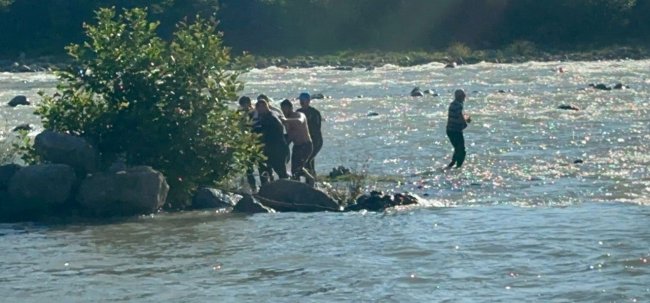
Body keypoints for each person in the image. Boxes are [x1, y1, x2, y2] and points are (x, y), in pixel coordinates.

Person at [280, 99, 315, 186]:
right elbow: (291, 134)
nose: (284, 111)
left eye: (286, 109)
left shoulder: (299, 115)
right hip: (297, 146)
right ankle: (298, 185)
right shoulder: (286, 121)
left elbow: (300, 121)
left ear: (291, 108)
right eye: (282, 109)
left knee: (299, 168)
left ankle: (311, 179)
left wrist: (286, 120)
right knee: (294, 171)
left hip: (306, 145)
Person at [254, 99, 290, 184]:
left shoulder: (270, 118)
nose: (260, 109)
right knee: (265, 170)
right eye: (259, 108)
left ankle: (287, 189)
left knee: (281, 172)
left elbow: (260, 131)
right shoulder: (265, 116)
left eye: (263, 107)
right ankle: (267, 188)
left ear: (266, 107)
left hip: (277, 149)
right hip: (271, 148)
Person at [296, 92, 323, 179]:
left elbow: (318, 128)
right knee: (308, 161)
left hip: (316, 140)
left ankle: (312, 180)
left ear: (308, 101)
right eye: (301, 100)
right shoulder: (298, 112)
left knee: (308, 160)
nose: (302, 102)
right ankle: (311, 179)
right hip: (304, 141)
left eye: (304, 100)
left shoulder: (314, 113)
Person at [446, 89, 471, 169]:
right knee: (462, 151)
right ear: (460, 96)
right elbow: (460, 116)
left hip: (450, 130)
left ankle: (452, 164)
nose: (464, 97)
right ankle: (458, 167)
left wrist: (466, 118)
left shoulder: (453, 104)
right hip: (455, 131)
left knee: (457, 148)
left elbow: (458, 115)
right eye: (463, 95)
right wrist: (465, 124)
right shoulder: (458, 105)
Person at [238, 96, 259, 190]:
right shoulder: (241, 114)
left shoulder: (255, 112)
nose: (243, 107)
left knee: (260, 166)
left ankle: (261, 186)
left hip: (256, 142)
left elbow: (254, 125)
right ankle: (252, 187)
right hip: (246, 143)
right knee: (248, 167)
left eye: (244, 105)